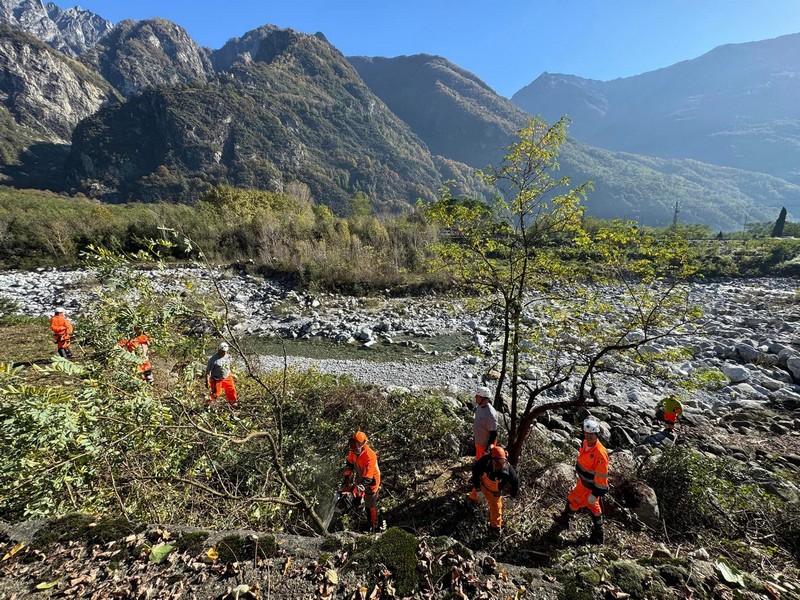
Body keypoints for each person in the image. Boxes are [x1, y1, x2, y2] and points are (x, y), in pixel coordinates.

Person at [553, 417, 609, 544]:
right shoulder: (585, 444)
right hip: (582, 482)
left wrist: (595, 493)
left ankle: (596, 533)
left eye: (592, 434)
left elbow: (602, 477)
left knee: (575, 500)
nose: (589, 436)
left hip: (589, 487)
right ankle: (597, 533)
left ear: (597, 434)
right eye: (587, 433)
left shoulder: (600, 454)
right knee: (589, 506)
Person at [469, 446, 519, 533]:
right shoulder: (485, 461)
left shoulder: (509, 470)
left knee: (496, 511)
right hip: (483, 486)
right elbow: (475, 471)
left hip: (495, 493)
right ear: (492, 459)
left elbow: (516, 483)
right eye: (497, 462)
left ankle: (495, 529)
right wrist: (477, 489)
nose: (499, 464)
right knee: (474, 496)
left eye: (501, 462)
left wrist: (512, 497)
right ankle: (471, 505)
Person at [341, 431, 381, 531]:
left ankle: (373, 525)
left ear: (363, 443)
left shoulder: (369, 456)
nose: (355, 447)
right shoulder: (353, 451)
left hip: (371, 482)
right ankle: (356, 507)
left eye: (357, 444)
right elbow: (349, 464)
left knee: (369, 505)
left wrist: (360, 487)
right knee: (356, 496)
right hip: (360, 477)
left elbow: (368, 478)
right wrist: (347, 478)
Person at [469, 385, 498, 502]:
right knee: (478, 465)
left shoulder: (491, 414)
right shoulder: (480, 407)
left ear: (484, 398)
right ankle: (478, 486)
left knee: (483, 469)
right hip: (479, 444)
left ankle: (480, 491)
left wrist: (487, 449)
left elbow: (493, 434)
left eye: (478, 396)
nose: (475, 398)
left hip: (485, 446)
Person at [205, 342, 238, 408]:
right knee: (216, 394)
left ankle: (233, 403)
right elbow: (208, 372)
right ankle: (207, 405)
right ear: (219, 350)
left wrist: (233, 375)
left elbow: (228, 366)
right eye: (223, 351)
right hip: (216, 379)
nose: (224, 353)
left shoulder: (228, 356)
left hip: (227, 377)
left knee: (231, 390)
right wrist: (207, 382)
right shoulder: (213, 360)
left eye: (226, 351)